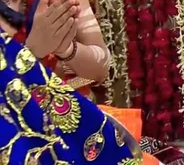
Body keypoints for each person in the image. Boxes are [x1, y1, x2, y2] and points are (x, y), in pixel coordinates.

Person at [0, 28, 162, 164]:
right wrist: (33, 52)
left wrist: (67, 49)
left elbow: (101, 69)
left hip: (74, 124)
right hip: (29, 128)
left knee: (156, 152)